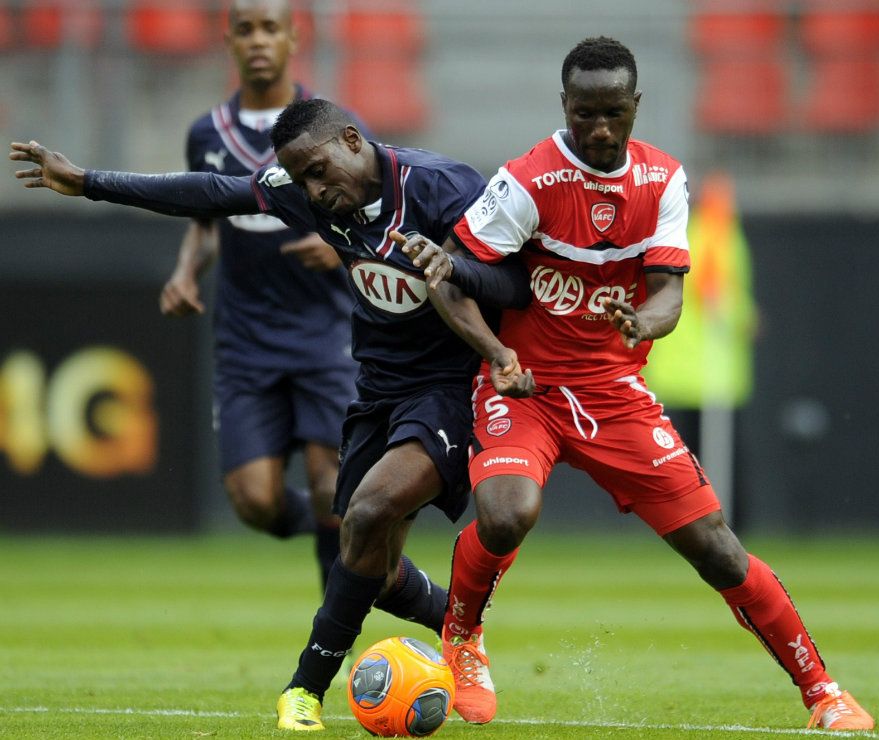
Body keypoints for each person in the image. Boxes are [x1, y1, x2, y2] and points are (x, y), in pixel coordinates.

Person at [9, 98, 531, 731]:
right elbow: (209, 191)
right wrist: (88, 183)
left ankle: (303, 690)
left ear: (351, 140)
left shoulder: (443, 187)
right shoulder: (304, 190)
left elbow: (516, 284)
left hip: (453, 385)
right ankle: (459, 624)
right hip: (380, 386)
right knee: (375, 567)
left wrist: (461, 278)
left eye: (319, 171)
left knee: (369, 509)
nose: (313, 191)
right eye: (301, 178)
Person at [400, 36, 875, 732]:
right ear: (564, 106)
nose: (598, 128)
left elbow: (669, 297)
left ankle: (824, 692)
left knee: (717, 547)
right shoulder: (528, 180)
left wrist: (642, 321)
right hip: (524, 387)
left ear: (635, 107)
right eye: (584, 113)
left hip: (613, 393)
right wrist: (497, 352)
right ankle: (464, 639)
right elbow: (447, 277)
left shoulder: (663, 182)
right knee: (505, 513)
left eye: (613, 113)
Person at [163, 0, 364, 590]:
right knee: (254, 502)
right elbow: (203, 219)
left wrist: (338, 247)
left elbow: (374, 209)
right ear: (227, 40)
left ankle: (339, 623)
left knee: (334, 481)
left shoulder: (330, 126)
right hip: (246, 337)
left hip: (325, 330)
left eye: (270, 28)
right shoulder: (206, 135)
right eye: (245, 29)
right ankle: (341, 528)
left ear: (293, 37)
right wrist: (184, 270)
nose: (258, 41)